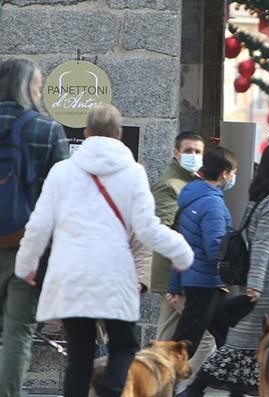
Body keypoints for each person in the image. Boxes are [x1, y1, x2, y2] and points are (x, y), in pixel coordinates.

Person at [14, 104, 194, 397]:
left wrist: (25, 265)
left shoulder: (62, 171)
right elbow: (147, 228)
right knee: (123, 345)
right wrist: (182, 252)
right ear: (119, 134)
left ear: (86, 133)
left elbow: (39, 225)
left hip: (70, 274)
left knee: (79, 355)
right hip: (113, 275)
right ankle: (111, 391)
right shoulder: (133, 172)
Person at [182, 141, 269, 397]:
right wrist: (254, 284)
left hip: (267, 279)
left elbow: (265, 236)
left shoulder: (262, 193)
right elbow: (263, 243)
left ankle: (213, 388)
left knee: (242, 341)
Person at [0, 57, 69, 396]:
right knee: (17, 330)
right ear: (27, 87)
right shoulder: (47, 130)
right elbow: (63, 198)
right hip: (25, 248)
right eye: (39, 87)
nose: (40, 93)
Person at [149, 131, 211, 392]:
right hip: (176, 276)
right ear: (176, 153)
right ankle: (178, 386)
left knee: (164, 343)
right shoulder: (171, 184)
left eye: (198, 152)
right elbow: (164, 232)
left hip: (176, 276)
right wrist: (174, 282)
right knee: (206, 342)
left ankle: (154, 387)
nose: (194, 156)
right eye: (189, 151)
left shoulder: (189, 182)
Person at [167, 147, 239, 361]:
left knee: (226, 338)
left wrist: (174, 283)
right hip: (206, 282)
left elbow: (182, 244)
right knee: (183, 346)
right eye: (233, 172)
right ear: (224, 172)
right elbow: (215, 248)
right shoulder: (212, 203)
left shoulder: (193, 197)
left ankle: (231, 387)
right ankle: (157, 383)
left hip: (195, 279)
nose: (233, 177)